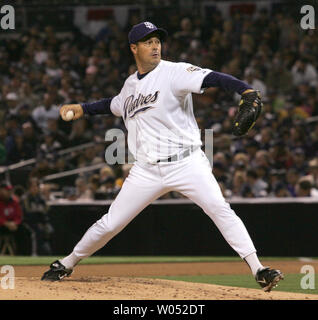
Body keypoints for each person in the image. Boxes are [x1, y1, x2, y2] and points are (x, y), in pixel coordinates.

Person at [41, 22, 283, 292]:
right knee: (111, 223)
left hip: (187, 162)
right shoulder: (130, 85)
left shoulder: (175, 71)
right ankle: (67, 263)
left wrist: (246, 91)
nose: (155, 45)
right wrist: (82, 109)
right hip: (146, 170)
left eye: (157, 40)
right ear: (134, 48)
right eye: (147, 41)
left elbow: (214, 78)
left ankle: (259, 269)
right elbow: (112, 105)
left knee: (219, 208)